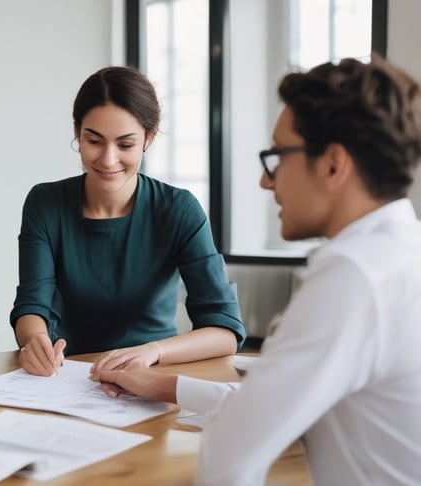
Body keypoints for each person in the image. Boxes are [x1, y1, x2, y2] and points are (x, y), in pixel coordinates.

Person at [91, 56, 421, 485]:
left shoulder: (353, 277)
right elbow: (273, 399)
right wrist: (165, 386)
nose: (266, 181)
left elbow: (231, 454)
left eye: (278, 156)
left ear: (334, 164)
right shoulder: (402, 252)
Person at [11, 66, 245, 376]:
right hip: (66, 376)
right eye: (94, 141)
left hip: (153, 375)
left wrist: (153, 351)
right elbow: (32, 304)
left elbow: (225, 330)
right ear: (76, 132)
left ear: (148, 138)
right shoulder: (45, 203)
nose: (108, 160)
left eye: (125, 145)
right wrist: (36, 340)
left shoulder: (178, 209)